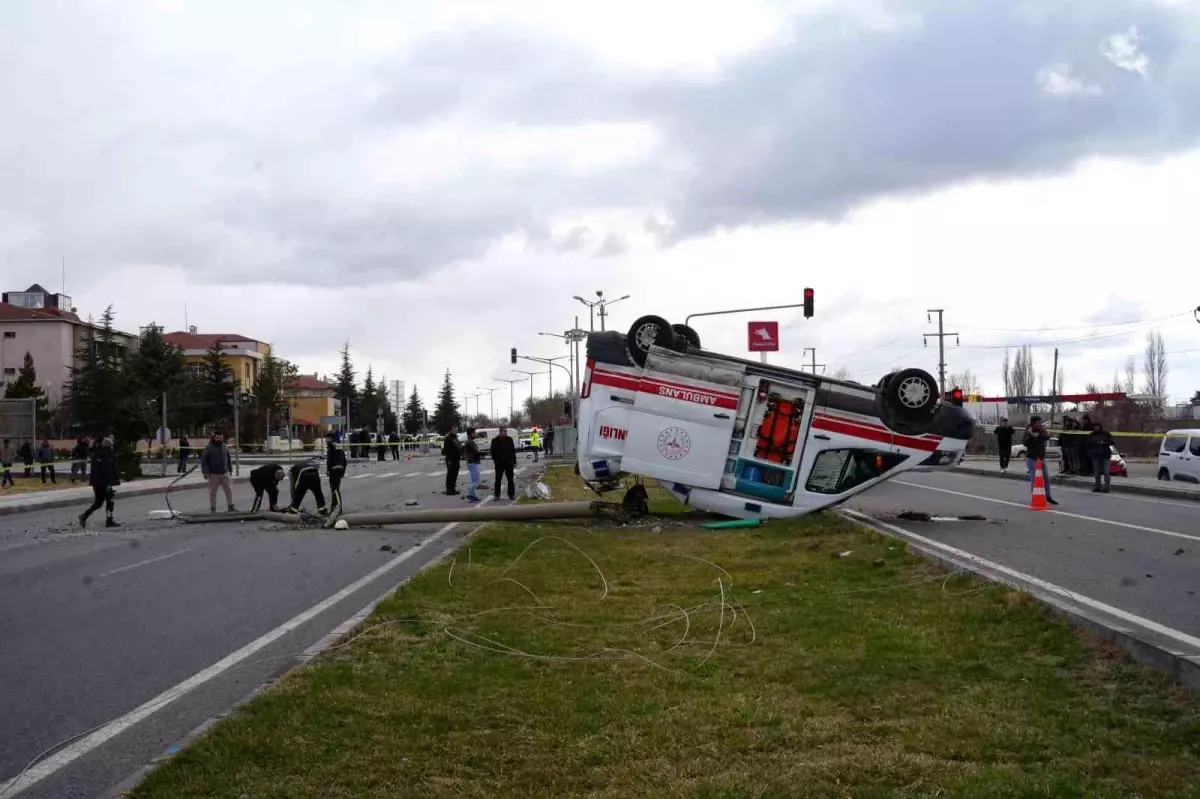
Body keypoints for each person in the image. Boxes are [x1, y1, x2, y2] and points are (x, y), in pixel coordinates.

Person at [79, 435, 120, 528]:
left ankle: (84, 516)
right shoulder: (107, 455)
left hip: (96, 483)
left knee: (98, 503)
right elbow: (107, 471)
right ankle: (109, 521)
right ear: (110, 446)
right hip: (104, 482)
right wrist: (108, 484)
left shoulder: (96, 454)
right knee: (110, 502)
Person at [1023, 416, 1058, 505]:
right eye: (1037, 422)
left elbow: (1047, 437)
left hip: (1041, 458)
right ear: (1033, 423)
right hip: (1032, 459)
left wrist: (1039, 435)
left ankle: (1048, 496)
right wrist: (1031, 436)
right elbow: (1025, 442)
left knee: (1046, 478)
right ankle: (1035, 496)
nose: (1039, 424)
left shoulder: (1041, 429)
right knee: (1035, 479)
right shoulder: (1028, 430)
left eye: (1040, 422)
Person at [201, 431, 236, 513]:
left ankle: (230, 506)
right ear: (214, 438)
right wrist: (205, 472)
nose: (219, 440)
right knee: (213, 492)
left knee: (228, 490)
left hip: (225, 473)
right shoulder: (209, 447)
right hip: (213, 474)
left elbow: (228, 458)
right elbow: (204, 460)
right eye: (217, 438)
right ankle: (213, 509)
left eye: (221, 438)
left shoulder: (224, 446)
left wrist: (230, 470)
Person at [1087, 421, 1115, 494]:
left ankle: (1106, 487)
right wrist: (1090, 453)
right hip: (1095, 456)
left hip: (1105, 455)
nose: (1097, 428)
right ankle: (1097, 487)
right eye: (1095, 426)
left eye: (1098, 426)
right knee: (1097, 472)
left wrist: (1104, 442)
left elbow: (1112, 442)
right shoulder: (1091, 435)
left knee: (1106, 472)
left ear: (1100, 427)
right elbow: (1088, 445)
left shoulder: (1106, 434)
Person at [491, 425, 517, 500]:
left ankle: (511, 494)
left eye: (506, 431)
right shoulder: (495, 440)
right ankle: (497, 495)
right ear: (500, 432)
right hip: (499, 464)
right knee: (498, 480)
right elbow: (492, 452)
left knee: (510, 480)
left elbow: (513, 451)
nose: (506, 433)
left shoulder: (509, 439)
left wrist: (514, 462)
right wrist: (495, 461)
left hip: (509, 463)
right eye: (504, 431)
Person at [326, 432, 347, 515]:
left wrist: (328, 470)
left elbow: (329, 460)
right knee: (334, 489)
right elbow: (344, 460)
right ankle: (333, 507)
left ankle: (338, 508)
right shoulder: (338, 446)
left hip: (334, 470)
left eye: (327, 438)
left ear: (331, 438)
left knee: (335, 489)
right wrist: (343, 471)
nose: (325, 440)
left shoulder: (331, 447)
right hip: (340, 469)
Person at [464, 427, 481, 503]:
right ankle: (470, 495)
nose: (476, 434)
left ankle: (473, 495)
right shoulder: (470, 442)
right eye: (475, 433)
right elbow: (475, 452)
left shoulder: (470, 441)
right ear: (471, 434)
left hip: (471, 462)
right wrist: (483, 453)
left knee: (473, 479)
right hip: (472, 462)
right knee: (476, 480)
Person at [443, 425, 461, 495]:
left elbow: (458, 447)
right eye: (455, 430)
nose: (456, 431)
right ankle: (449, 489)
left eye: (457, 430)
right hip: (451, 459)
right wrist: (449, 460)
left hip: (456, 459)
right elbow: (447, 449)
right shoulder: (448, 438)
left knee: (455, 475)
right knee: (450, 474)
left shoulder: (455, 437)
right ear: (451, 430)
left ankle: (453, 488)